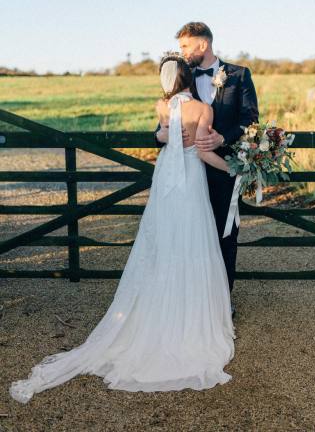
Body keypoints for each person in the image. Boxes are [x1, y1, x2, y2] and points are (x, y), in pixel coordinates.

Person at [9, 53, 236, 404]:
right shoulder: (202, 110)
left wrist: (166, 134)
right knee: (192, 241)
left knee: (162, 240)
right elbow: (205, 153)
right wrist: (234, 169)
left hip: (165, 181)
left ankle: (155, 308)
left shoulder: (161, 106)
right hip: (189, 180)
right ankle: (188, 310)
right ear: (189, 78)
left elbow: (163, 135)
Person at [155, 22, 259, 318]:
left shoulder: (239, 75)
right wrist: (161, 136)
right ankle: (190, 299)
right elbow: (161, 127)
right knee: (189, 236)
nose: (183, 52)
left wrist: (223, 137)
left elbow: (250, 118)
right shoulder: (181, 80)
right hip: (188, 174)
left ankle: (221, 303)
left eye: (186, 46)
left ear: (203, 44)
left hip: (222, 169)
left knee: (226, 236)